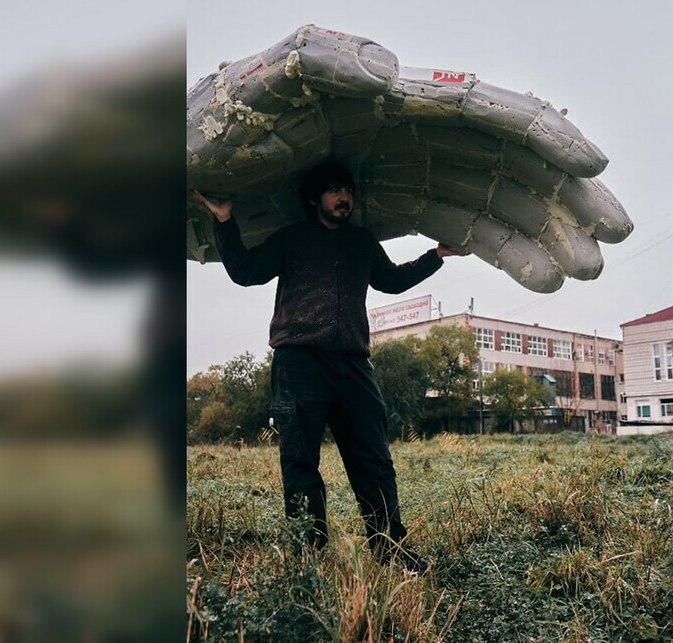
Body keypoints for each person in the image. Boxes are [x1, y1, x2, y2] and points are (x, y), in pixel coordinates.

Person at [192, 162, 467, 572]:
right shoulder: (292, 238)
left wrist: (436, 256)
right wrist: (224, 220)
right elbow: (247, 273)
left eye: (349, 191)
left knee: (374, 458)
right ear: (313, 199)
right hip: (298, 363)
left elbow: (389, 280)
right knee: (300, 462)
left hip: (353, 364)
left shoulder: (361, 242)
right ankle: (309, 557)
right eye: (335, 190)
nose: (344, 198)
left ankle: (390, 548)